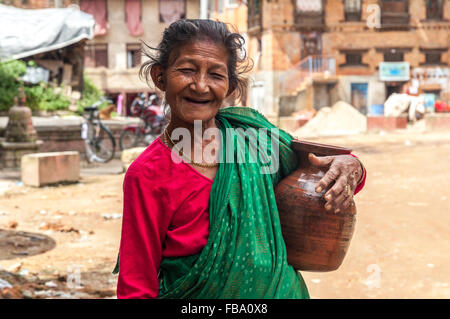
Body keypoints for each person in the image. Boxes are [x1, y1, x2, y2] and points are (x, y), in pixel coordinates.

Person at [114, 19, 366, 299]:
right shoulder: (147, 174)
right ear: (160, 76)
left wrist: (352, 166)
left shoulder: (256, 141)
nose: (200, 86)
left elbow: (326, 168)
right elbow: (136, 284)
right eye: (186, 70)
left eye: (216, 75)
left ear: (231, 87)